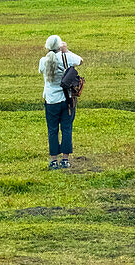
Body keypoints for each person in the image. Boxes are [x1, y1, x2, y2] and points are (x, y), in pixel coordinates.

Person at [39, 35, 82, 170]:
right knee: (66, 128)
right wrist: (66, 51)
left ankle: (53, 160)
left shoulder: (43, 61)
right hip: (66, 99)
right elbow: (80, 61)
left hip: (51, 100)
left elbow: (41, 71)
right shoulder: (66, 57)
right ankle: (65, 159)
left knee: (52, 130)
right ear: (59, 46)